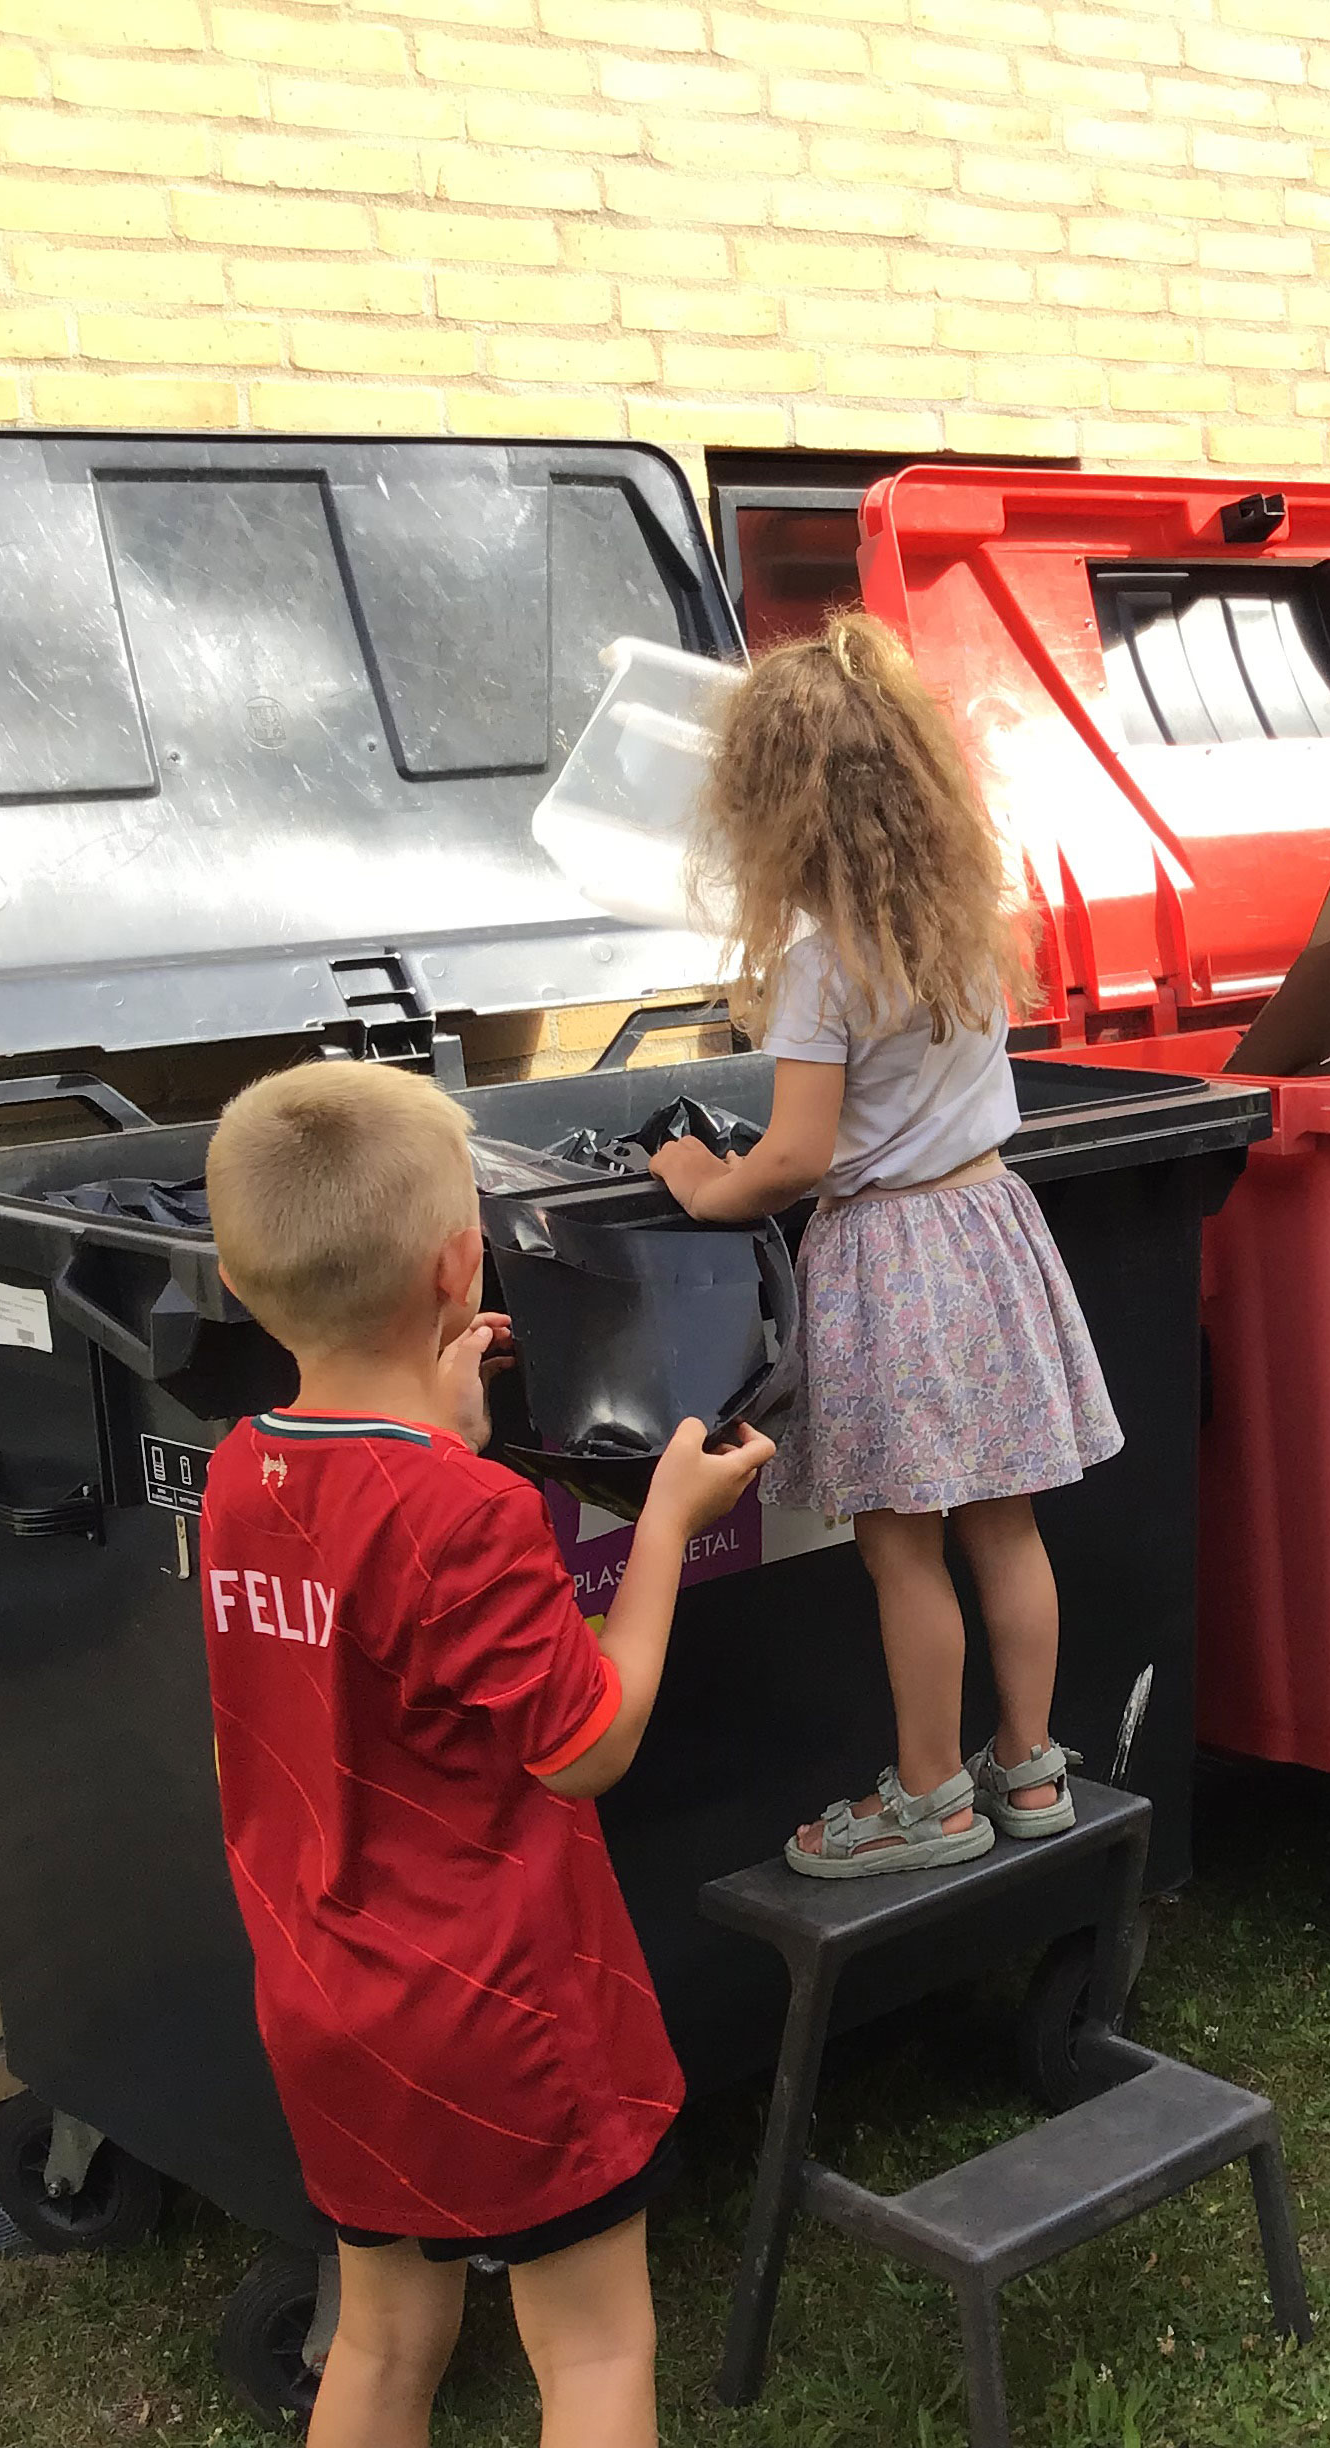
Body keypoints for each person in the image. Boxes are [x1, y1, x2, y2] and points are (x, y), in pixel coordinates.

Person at [199, 1060, 774, 2448]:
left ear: (240, 1282)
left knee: (384, 2340)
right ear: (465, 1266)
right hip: (498, 2009)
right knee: (593, 2348)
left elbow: (365, 1576)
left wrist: (436, 1428)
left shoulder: (238, 1475)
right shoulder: (470, 1513)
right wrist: (660, 1529)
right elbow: (588, 1743)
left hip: (326, 1992)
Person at [650, 611, 1118, 1875]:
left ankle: (930, 1799)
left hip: (891, 1261)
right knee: (1006, 1526)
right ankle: (1030, 1766)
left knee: (901, 1544)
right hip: (990, 1227)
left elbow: (796, 1156)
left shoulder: (823, 967)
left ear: (777, 812)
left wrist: (702, 1184)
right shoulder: (963, 922)